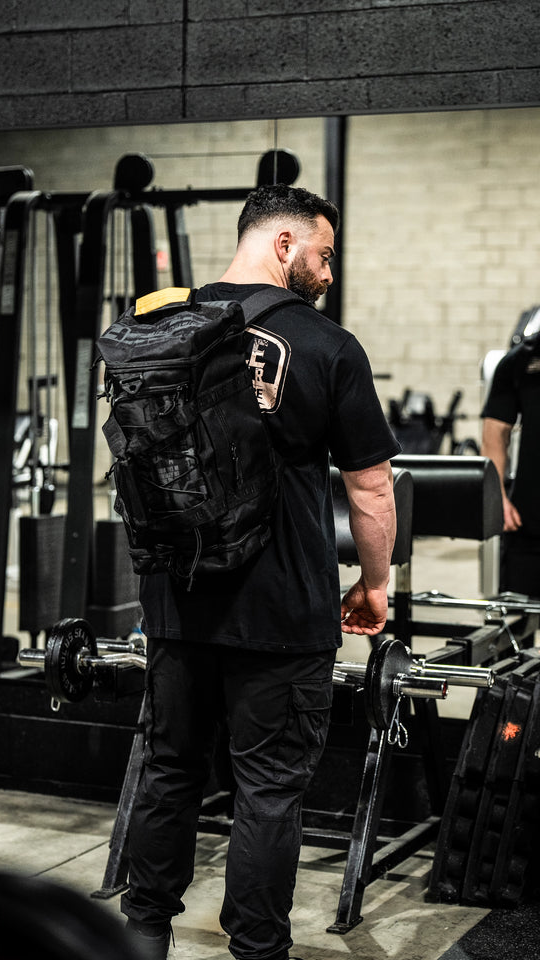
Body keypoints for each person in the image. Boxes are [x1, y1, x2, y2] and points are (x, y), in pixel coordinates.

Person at [120, 183, 401, 960]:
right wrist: (376, 588)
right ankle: (256, 953)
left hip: (177, 602)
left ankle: (143, 935)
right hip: (280, 613)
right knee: (269, 792)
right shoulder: (326, 346)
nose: (329, 272)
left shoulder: (160, 324)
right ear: (283, 244)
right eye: (325, 253)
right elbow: (371, 488)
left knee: (170, 770)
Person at [481, 332, 540, 598]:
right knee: (515, 620)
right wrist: (499, 498)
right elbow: (495, 431)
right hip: (529, 519)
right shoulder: (522, 359)